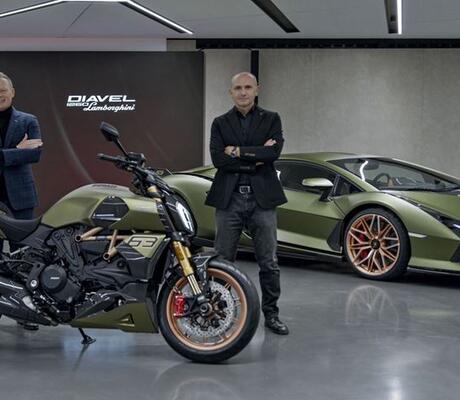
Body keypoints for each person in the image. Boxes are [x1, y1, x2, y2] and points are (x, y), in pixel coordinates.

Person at [206, 72, 289, 335]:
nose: (243, 92)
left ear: (256, 90)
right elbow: (219, 159)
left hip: (262, 199)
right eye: (238, 88)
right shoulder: (220, 123)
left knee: (269, 262)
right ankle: (219, 314)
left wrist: (237, 151)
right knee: (222, 261)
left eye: (248, 87)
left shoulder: (271, 119)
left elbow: (273, 153)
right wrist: (256, 155)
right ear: (231, 92)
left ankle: (272, 315)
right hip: (229, 198)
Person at [0, 72, 43, 330]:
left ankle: (25, 311)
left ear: (12, 92)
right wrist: (16, 151)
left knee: (24, 256)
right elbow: (24, 154)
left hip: (20, 198)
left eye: (2, 90)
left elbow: (35, 154)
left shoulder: (28, 120)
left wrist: (4, 156)